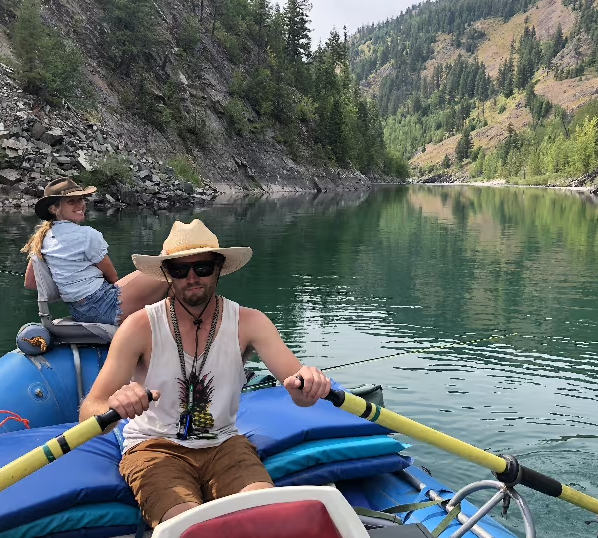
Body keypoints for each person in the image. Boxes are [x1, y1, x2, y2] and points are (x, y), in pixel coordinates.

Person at [78, 219, 332, 529]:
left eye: (202, 267)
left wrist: (307, 385)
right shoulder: (139, 327)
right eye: (180, 270)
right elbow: (90, 412)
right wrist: (116, 408)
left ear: (219, 267)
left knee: (265, 518)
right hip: (154, 448)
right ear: (168, 275)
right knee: (189, 528)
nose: (192, 277)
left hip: (225, 444)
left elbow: (301, 393)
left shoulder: (251, 323)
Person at [21, 177, 169, 326]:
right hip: (104, 306)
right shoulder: (87, 235)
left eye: (81, 199)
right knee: (168, 268)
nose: (80, 205)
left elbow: (31, 283)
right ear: (54, 209)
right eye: (72, 201)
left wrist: (68, 282)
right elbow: (112, 276)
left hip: (78, 310)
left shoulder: (41, 239)